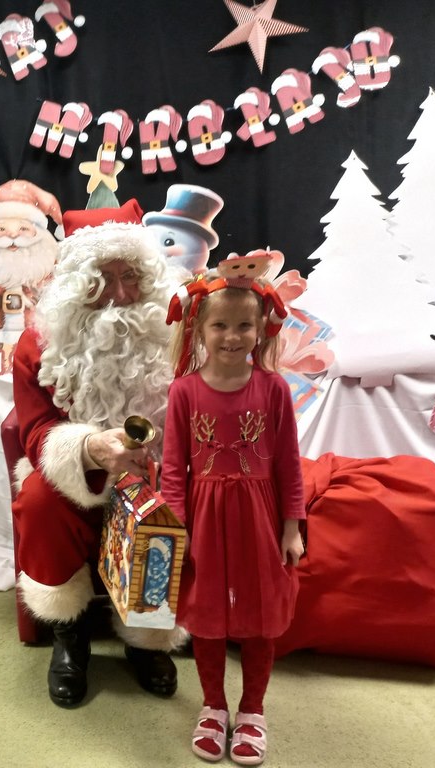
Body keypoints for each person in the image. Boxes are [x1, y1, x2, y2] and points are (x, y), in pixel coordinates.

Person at [11, 200, 191, 708]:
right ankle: (70, 635)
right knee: (39, 502)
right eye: (102, 279)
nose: (120, 294)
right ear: (76, 284)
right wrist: (90, 448)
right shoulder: (37, 344)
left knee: (179, 505)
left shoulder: (178, 333)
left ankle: (147, 638)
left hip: (158, 470)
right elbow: (36, 431)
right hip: (79, 474)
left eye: (130, 276)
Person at [159, 253, 304, 766]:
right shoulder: (183, 391)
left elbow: (289, 463)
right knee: (208, 617)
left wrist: (292, 527)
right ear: (199, 328)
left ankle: (253, 710)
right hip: (202, 519)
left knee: (259, 617)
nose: (232, 336)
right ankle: (214, 707)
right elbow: (173, 469)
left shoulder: (274, 389)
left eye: (244, 325)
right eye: (220, 325)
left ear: (261, 329)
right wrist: (175, 529)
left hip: (260, 519)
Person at [0, 180, 62, 345]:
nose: (13, 235)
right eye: (1, 229)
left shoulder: (49, 263)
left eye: (23, 229)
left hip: (38, 337)